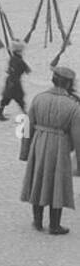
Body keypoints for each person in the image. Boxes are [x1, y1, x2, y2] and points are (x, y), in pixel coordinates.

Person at [20, 66, 80, 234]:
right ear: (69, 84)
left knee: (37, 180)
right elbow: (78, 136)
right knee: (57, 183)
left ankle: (37, 222)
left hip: (38, 143)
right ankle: (54, 225)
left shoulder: (39, 99)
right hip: (60, 146)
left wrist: (25, 150)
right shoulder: (73, 106)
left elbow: (27, 126)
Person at [0, 40, 29, 121]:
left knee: (17, 98)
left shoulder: (16, 59)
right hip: (13, 81)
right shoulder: (15, 60)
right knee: (9, 98)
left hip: (13, 81)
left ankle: (25, 114)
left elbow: (23, 68)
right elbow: (14, 71)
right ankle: (0, 114)